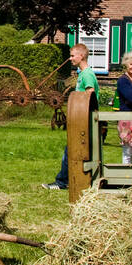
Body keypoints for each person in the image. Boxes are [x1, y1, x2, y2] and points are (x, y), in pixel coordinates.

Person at [43, 42, 100, 190]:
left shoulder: (87, 74)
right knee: (75, 150)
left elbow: (90, 94)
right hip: (81, 118)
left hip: (84, 119)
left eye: (72, 55)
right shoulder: (83, 73)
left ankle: (62, 182)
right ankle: (79, 180)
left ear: (81, 56)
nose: (70, 58)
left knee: (71, 150)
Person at [116, 50, 132, 165]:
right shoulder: (122, 80)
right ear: (126, 64)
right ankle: (126, 176)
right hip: (127, 119)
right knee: (128, 151)